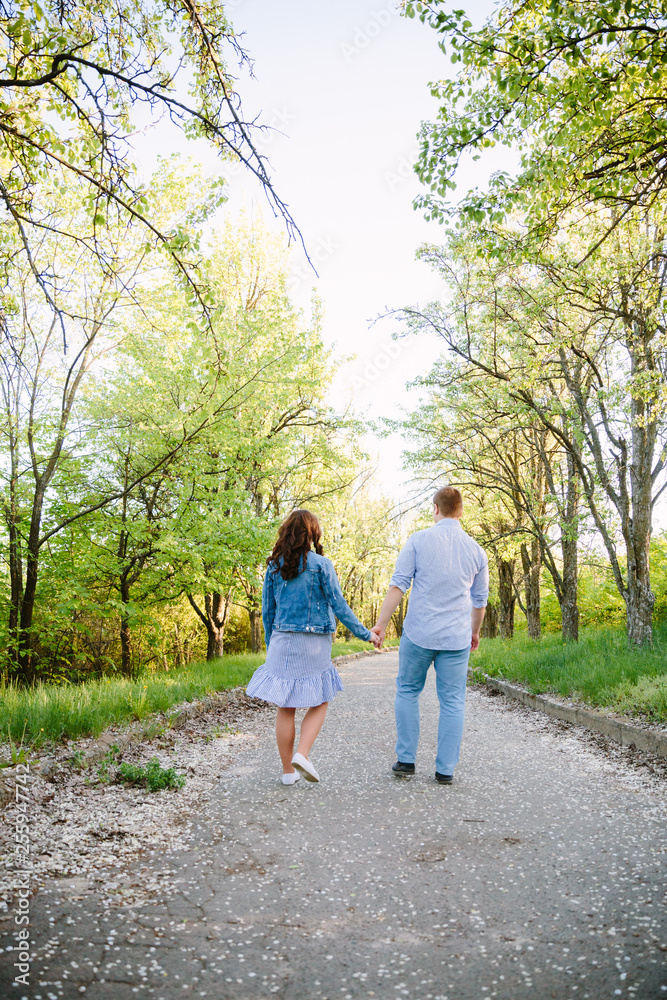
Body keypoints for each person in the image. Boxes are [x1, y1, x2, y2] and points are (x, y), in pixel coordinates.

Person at [246, 508, 380, 784]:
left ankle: (287, 773)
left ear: (286, 532)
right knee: (320, 699)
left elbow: (267, 611)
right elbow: (339, 606)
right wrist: (366, 634)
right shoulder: (321, 565)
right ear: (312, 534)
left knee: (286, 705)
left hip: (282, 640)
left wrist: (272, 644)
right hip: (314, 643)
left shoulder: (273, 566)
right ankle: (303, 754)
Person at [371, 486, 488, 785]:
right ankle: (445, 770)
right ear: (461, 510)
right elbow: (480, 600)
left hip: (419, 633)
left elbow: (398, 585)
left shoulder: (418, 540)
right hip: (456, 638)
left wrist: (381, 625)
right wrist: (474, 632)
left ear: (435, 509)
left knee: (408, 691)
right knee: (452, 701)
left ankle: (406, 761)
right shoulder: (476, 551)